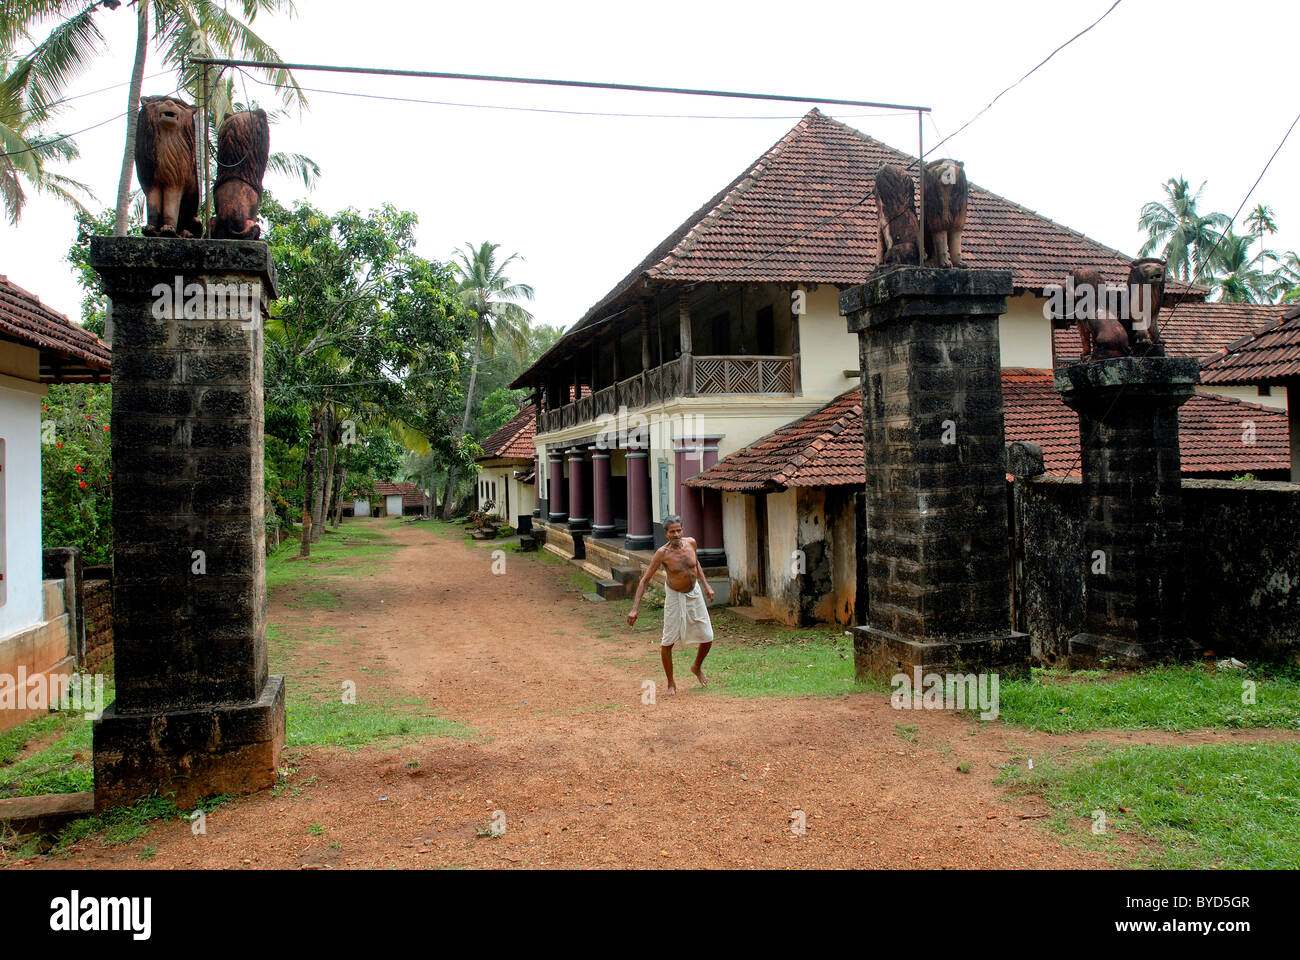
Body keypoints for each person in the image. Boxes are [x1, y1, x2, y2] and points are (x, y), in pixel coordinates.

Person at [627, 514, 714, 695]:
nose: (676, 534)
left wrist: (706, 586)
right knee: (667, 641)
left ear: (683, 530)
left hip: (694, 592)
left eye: (678, 530)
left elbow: (696, 565)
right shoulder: (662, 553)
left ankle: (696, 667)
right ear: (666, 534)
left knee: (708, 637)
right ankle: (671, 683)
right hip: (674, 596)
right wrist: (635, 609)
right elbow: (645, 580)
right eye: (672, 532)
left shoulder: (691, 543)